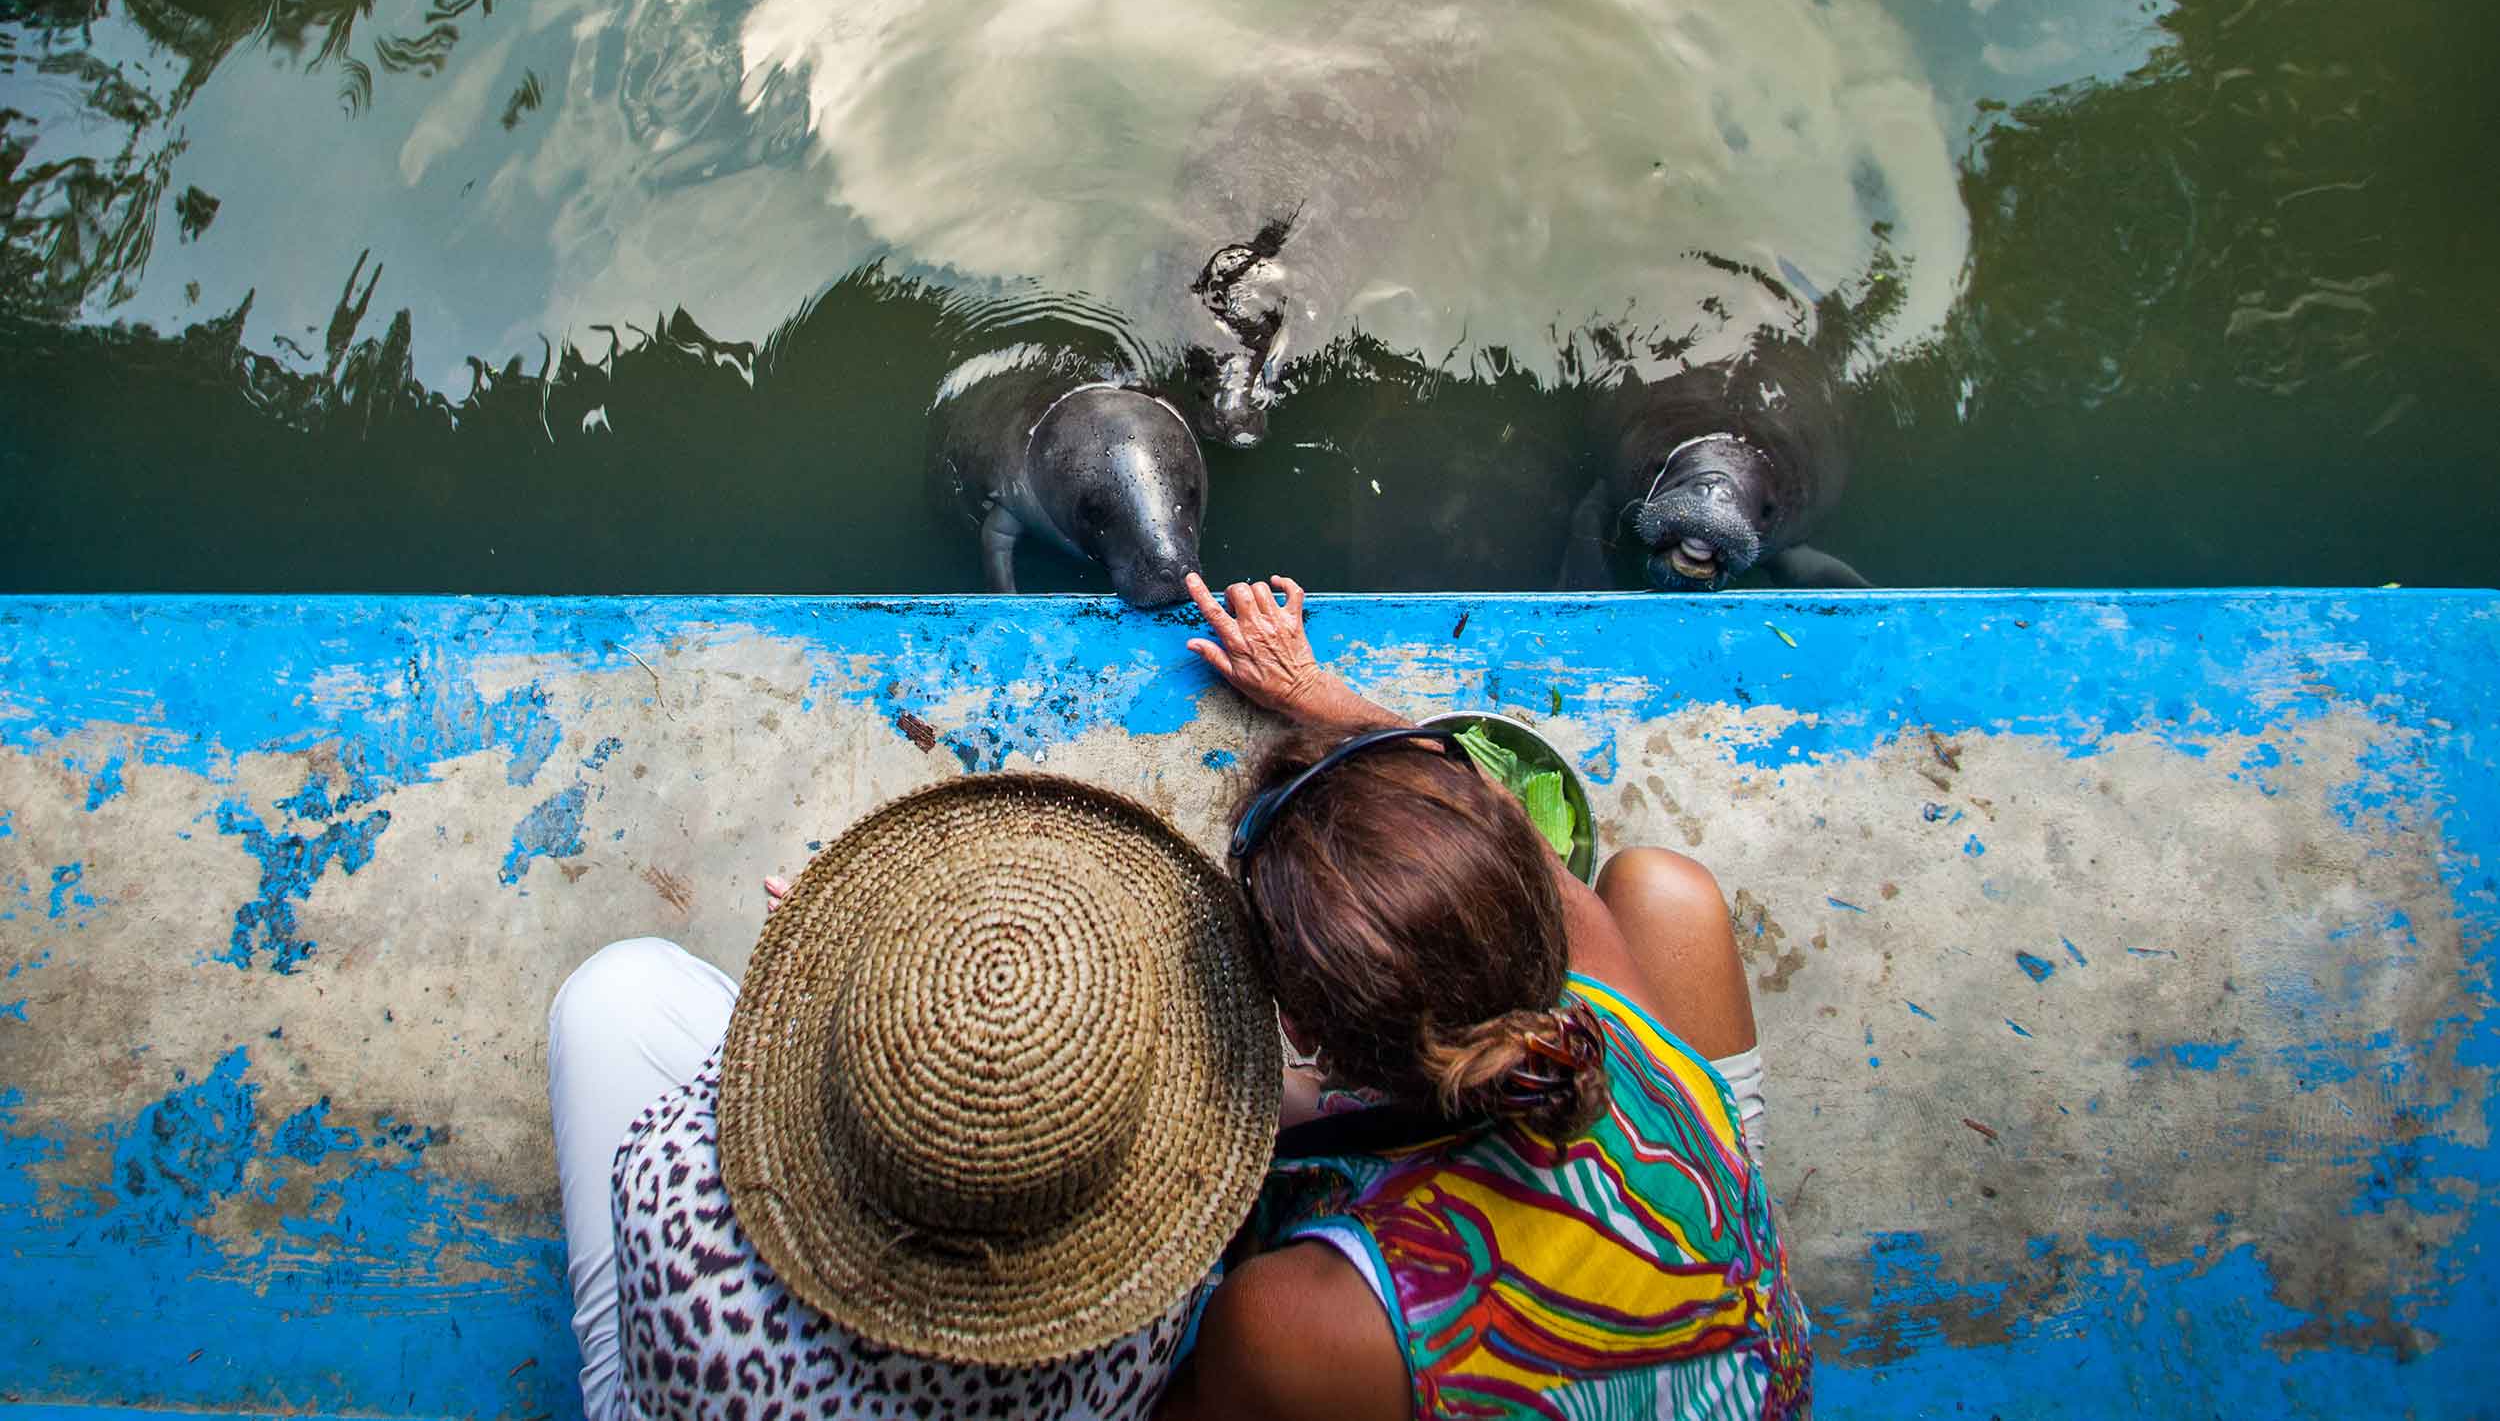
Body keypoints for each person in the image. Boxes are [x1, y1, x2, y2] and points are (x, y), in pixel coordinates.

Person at [1160, 572, 1811, 1421]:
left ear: (1297, 1022)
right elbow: (1479, 798)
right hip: (1717, 1332)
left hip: (1470, 1358)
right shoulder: (1602, 987)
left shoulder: (1287, 1318)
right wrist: (1310, 692)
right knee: (1666, 888)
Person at [545, 773, 1279, 1420]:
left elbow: (739, 1090)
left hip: (709, 1377)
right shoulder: (1148, 1289)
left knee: (612, 996)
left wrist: (828, 995)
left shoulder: (666, 1199)